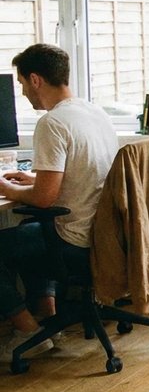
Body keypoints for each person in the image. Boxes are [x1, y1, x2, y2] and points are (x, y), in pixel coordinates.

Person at [0, 44, 119, 361]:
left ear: (35, 79)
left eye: (23, 83)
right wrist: (33, 181)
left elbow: (43, 198)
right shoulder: (93, 112)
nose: (24, 92)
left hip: (74, 240)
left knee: (25, 233)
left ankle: (28, 332)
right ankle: (48, 317)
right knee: (32, 228)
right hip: (104, 233)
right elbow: (80, 174)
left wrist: (4, 186)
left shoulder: (52, 123)